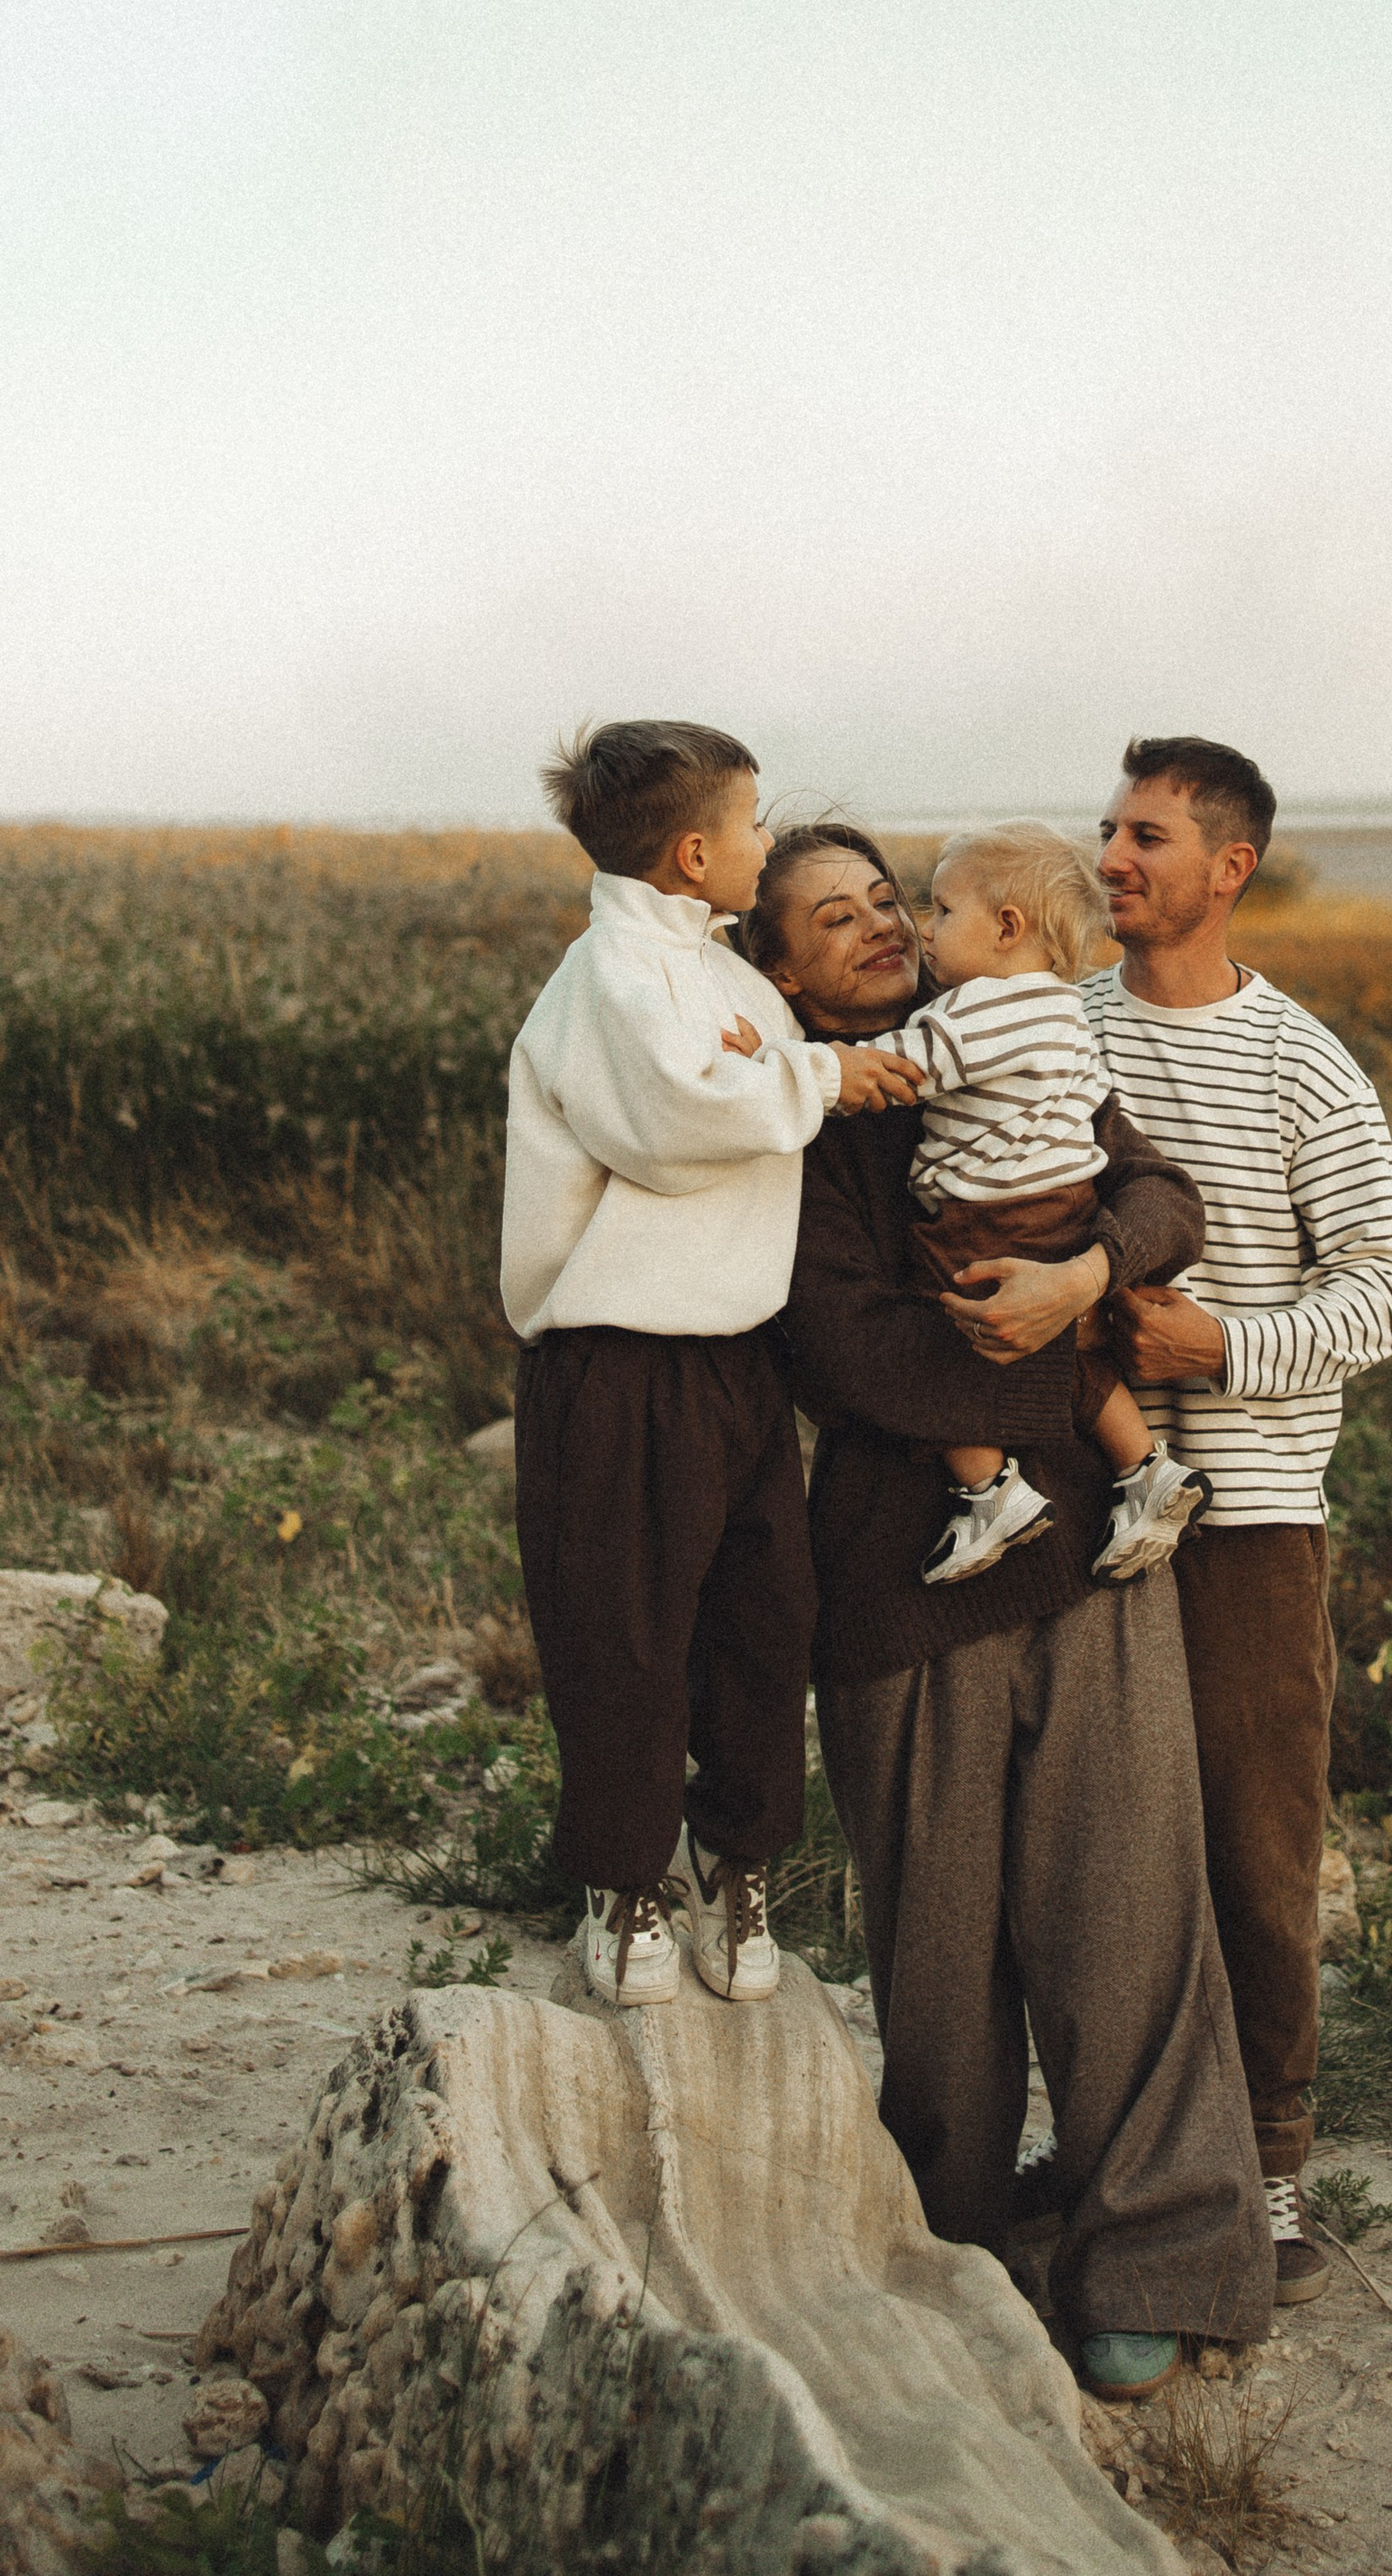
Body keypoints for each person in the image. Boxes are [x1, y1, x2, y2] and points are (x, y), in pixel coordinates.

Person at [745, 822, 1273, 2402]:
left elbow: (1164, 1197)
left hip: (1099, 1560)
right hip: (910, 1587)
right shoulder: (798, 1122)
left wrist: (1089, 1270)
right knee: (940, 1959)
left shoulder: (1019, 1053)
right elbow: (850, 1357)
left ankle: (1163, 2258)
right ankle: (952, 2257)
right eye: (829, 919)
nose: (876, 930)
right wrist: (1080, 1341)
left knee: (1131, 1915)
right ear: (779, 966)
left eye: (886, 901)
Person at [502, 723, 919, 2012]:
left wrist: (783, 1066)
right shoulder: (611, 977)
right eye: (750, 827)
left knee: (760, 1623)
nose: (762, 844)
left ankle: (737, 1862)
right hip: (618, 1358)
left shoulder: (727, 979)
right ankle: (625, 1882)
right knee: (623, 1633)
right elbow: (680, 1123)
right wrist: (821, 1076)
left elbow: (741, 1080)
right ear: (695, 854)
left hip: (737, 1360)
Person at [1085, 737, 1392, 2306]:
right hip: (1073, 1506)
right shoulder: (1059, 1025)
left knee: (1252, 1846)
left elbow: (1388, 1290)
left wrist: (1219, 1348)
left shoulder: (1304, 1062)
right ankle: (1114, 2156)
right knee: (1093, 1852)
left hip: (1251, 1519)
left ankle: (1272, 2170)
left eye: (1146, 835)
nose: (1112, 857)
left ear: (1231, 867)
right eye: (1107, 829)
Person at [870, 819, 1213, 1588]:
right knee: (1071, 1351)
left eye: (943, 912)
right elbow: (1089, 1103)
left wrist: (790, 1067)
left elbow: (903, 1068)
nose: (925, 930)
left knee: (939, 1328)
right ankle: (1148, 1468)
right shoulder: (1065, 1010)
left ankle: (990, 1491)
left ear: (1007, 927)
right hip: (1068, 1209)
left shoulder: (977, 1008)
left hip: (986, 1216)